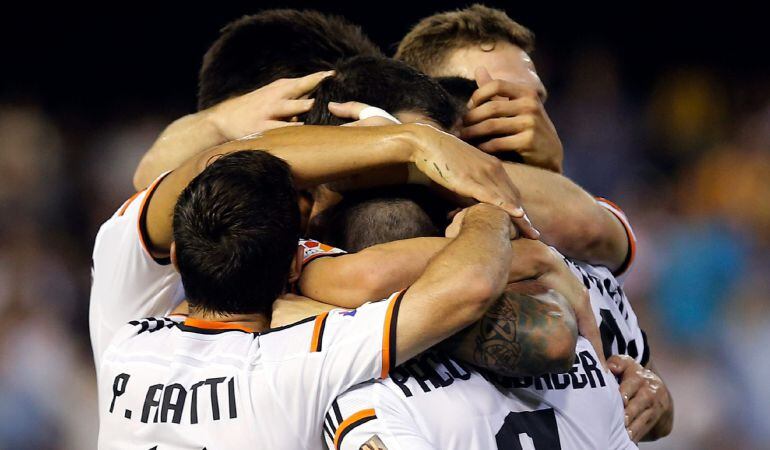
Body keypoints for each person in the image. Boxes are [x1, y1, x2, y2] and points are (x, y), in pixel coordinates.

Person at [397, 5, 673, 441]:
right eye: (501, 98)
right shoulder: (400, 216)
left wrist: (653, 393)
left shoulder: (575, 235)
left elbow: (657, 408)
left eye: (537, 99)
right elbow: (588, 225)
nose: (528, 114)